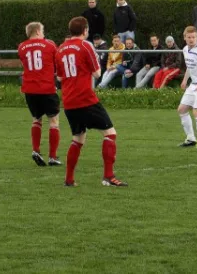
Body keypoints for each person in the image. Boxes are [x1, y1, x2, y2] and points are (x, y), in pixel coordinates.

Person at [56, 16, 127, 187]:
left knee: (78, 139)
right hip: (85, 98)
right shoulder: (85, 45)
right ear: (85, 31)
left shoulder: (60, 49)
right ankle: (108, 176)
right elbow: (97, 73)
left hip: (69, 101)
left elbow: (59, 77)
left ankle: (69, 179)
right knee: (110, 133)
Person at [18, 22, 62, 167]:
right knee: (54, 121)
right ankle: (53, 157)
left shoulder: (21, 47)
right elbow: (57, 62)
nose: (43, 34)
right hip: (47, 88)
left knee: (36, 119)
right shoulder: (49, 45)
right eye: (42, 31)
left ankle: (36, 150)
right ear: (37, 31)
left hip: (30, 89)